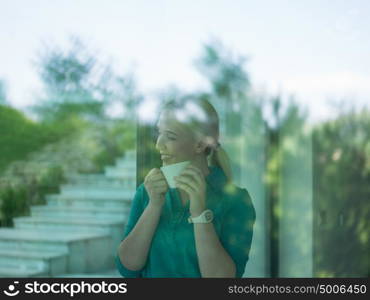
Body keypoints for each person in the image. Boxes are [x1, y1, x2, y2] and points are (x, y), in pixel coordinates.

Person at [115, 95, 256, 278]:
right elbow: (127, 267)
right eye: (159, 133)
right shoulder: (148, 191)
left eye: (170, 137)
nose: (159, 145)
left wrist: (199, 214)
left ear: (200, 144)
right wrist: (154, 205)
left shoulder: (236, 200)